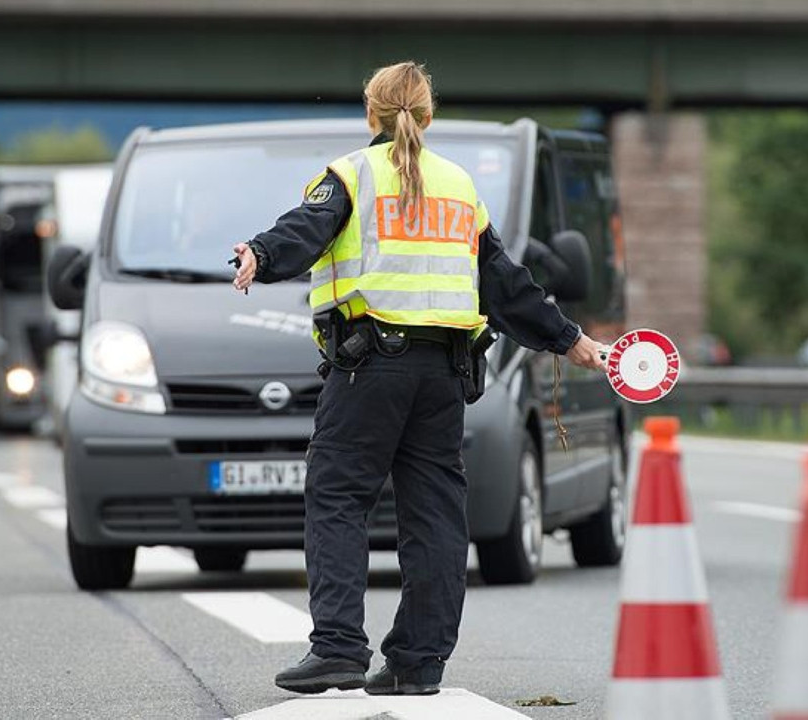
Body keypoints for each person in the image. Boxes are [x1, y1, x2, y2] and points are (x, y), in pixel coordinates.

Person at [231, 62, 607, 696]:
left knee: (338, 497)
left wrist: (259, 256)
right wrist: (570, 339)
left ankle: (339, 649)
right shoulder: (460, 186)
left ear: (370, 114)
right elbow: (506, 283)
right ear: (427, 117)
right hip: (445, 373)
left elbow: (305, 230)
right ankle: (418, 662)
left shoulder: (351, 174)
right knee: (434, 514)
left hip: (371, 366)